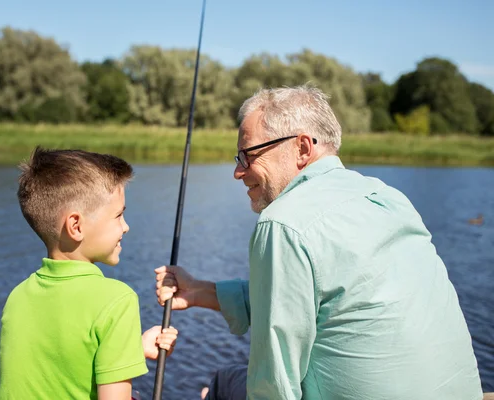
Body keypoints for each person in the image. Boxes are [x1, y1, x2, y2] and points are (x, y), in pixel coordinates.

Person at [156, 85, 483, 399]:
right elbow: (308, 300)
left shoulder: (284, 222)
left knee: (225, 382)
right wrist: (199, 291)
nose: (238, 172)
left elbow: (275, 384)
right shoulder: (386, 197)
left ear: (301, 148)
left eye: (248, 155)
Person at [0, 147, 178, 400]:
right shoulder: (117, 300)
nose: (126, 227)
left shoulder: (17, 297)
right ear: (76, 226)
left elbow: (61, 362)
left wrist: (131, 349)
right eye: (118, 215)